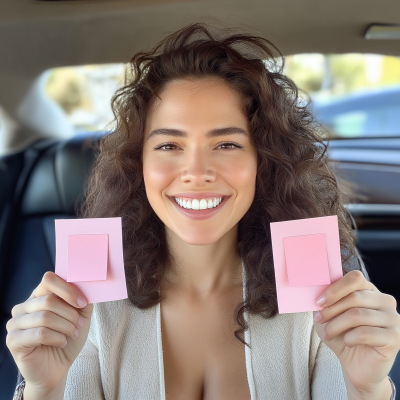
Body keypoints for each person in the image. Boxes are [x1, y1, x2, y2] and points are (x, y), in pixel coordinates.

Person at [7, 23, 400, 400]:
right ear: (138, 163)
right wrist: (43, 390)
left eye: (226, 145)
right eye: (168, 146)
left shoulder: (321, 293)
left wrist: (366, 389)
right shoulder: (87, 301)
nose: (196, 173)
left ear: (263, 161)